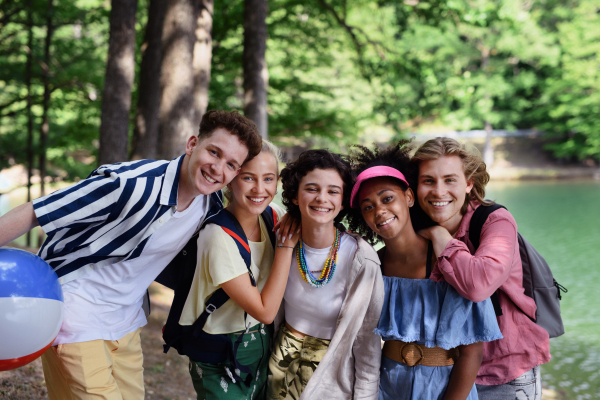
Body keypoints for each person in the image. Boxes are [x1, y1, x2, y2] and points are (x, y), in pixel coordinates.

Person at [0, 110, 262, 400]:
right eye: (214, 152)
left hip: (126, 318)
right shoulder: (130, 185)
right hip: (76, 311)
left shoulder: (210, 207)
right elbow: (38, 212)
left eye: (231, 164)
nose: (218, 168)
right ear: (192, 144)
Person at [346, 141, 502, 400]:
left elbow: (472, 352)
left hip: (444, 389)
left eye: (387, 198)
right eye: (368, 206)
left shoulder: (448, 259)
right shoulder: (374, 265)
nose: (380, 211)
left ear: (408, 197)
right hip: (387, 389)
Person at [411, 137, 551, 400]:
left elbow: (478, 286)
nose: (439, 191)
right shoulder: (416, 230)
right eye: (428, 181)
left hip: (503, 373)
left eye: (450, 180)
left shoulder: (495, 221)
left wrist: (441, 237)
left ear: (469, 184)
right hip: (443, 370)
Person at [175, 140, 299, 399]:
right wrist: (286, 248)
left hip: (262, 345)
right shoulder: (217, 235)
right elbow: (264, 311)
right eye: (248, 178)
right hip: (220, 351)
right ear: (230, 180)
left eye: (268, 179)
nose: (260, 189)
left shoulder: (271, 216)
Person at [267, 149, 384, 400]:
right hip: (280, 363)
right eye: (311, 189)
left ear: (343, 202)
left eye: (333, 191)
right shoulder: (282, 241)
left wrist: (365, 396)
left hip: (332, 374)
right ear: (295, 196)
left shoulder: (362, 259)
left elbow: (367, 341)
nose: (322, 198)